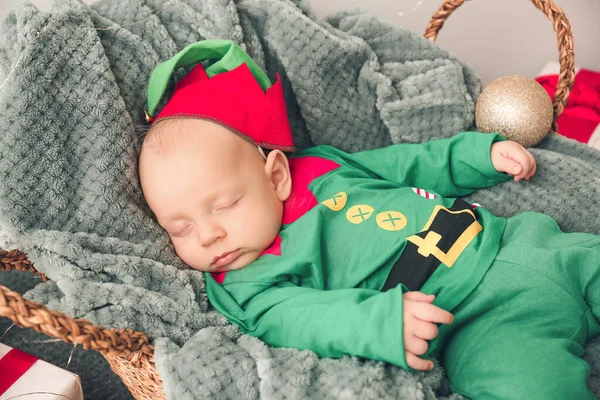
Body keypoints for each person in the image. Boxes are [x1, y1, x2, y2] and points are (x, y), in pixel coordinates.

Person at [139, 39, 600, 399]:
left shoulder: (322, 167)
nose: (208, 234)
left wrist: (480, 154)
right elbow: (307, 320)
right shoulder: (248, 284)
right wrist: (381, 323)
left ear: (276, 175)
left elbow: (409, 164)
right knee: (532, 386)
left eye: (223, 205)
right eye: (178, 227)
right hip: (480, 321)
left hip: (523, 244)